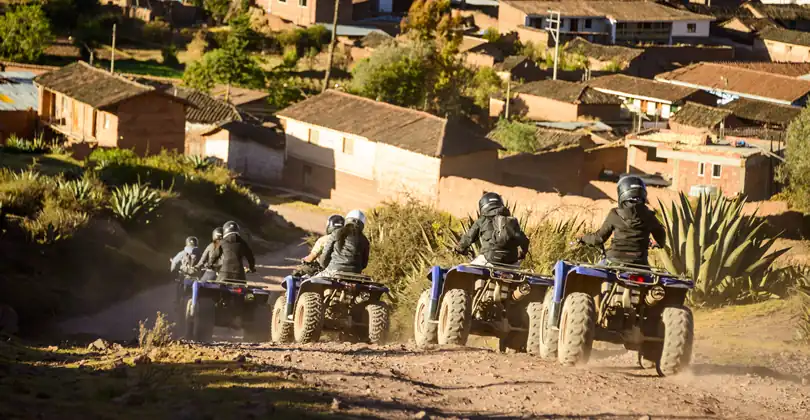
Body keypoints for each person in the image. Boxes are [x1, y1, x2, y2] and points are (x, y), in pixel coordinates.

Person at [579, 175, 666, 267]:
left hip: (614, 260)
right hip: (639, 263)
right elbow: (661, 234)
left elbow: (599, 238)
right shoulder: (649, 216)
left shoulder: (615, 214)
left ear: (622, 193)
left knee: (595, 276)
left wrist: (582, 238)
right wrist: (658, 243)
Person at [455, 192, 530, 266]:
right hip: (511, 261)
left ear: (483, 206)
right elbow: (524, 240)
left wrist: (460, 248)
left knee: (467, 272)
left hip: (489, 259)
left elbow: (468, 237)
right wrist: (522, 254)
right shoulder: (512, 221)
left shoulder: (482, 220)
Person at [317, 210, 370, 276]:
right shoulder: (365, 240)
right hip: (355, 274)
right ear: (362, 224)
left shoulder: (336, 233)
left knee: (311, 281)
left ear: (347, 220)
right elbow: (364, 264)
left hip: (333, 270)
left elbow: (324, 256)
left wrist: (324, 266)